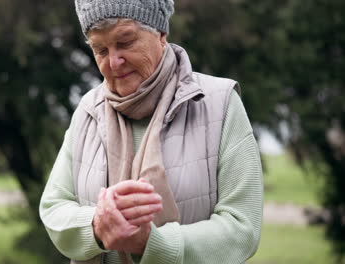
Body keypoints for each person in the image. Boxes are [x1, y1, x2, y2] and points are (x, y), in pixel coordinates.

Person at [39, 0, 263, 263]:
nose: (114, 61)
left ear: (161, 35)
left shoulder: (219, 103)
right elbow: (54, 207)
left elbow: (242, 228)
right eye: (100, 49)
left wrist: (156, 244)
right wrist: (98, 225)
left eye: (125, 42)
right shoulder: (88, 110)